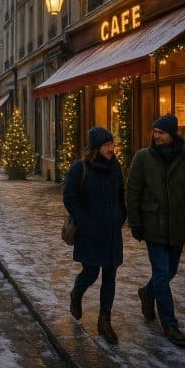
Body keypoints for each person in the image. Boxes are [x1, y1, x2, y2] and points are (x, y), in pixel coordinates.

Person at [127, 114, 185, 348]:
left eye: (161, 132)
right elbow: (133, 190)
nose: (156, 135)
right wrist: (136, 221)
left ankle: (148, 293)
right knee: (161, 272)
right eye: (155, 131)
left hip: (178, 226)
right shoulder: (142, 157)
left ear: (172, 134)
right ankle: (170, 324)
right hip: (153, 225)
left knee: (169, 272)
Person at [63, 127, 125, 345]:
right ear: (96, 148)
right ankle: (76, 293)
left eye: (112, 144)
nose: (111, 148)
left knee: (110, 275)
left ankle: (104, 321)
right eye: (107, 145)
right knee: (90, 272)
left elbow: (121, 195)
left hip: (111, 233)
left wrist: (120, 216)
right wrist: (85, 221)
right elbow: (70, 198)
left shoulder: (115, 167)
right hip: (90, 232)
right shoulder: (80, 168)